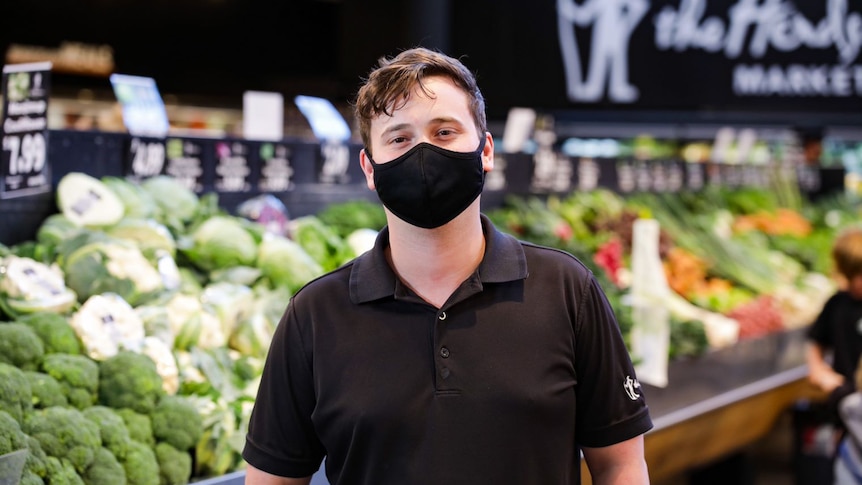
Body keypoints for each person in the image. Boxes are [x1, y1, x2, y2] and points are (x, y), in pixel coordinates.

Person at [242, 46, 653, 485]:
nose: (423, 152)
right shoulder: (314, 315)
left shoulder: (567, 290)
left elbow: (620, 466)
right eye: (399, 138)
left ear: (486, 150)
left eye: (444, 132)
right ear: (369, 168)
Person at [807, 227, 862, 483]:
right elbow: (815, 340)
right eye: (856, 275)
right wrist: (818, 370)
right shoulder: (838, 304)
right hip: (845, 404)